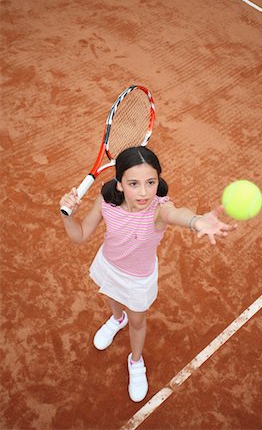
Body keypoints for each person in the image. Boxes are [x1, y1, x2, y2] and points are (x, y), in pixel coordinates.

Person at [60, 146, 237, 402]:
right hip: (109, 266)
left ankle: (136, 360)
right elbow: (79, 236)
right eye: (134, 183)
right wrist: (67, 215)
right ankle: (116, 319)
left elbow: (176, 214)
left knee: (138, 321)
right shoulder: (106, 201)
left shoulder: (158, 209)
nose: (144, 192)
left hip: (137, 280)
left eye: (150, 182)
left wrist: (196, 221)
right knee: (111, 296)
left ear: (158, 181)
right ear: (119, 184)